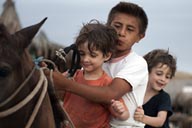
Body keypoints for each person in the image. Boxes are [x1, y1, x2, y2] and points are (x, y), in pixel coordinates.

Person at [49, 2, 149, 127]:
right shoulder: (92, 62)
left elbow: (110, 94)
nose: (121, 33)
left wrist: (66, 84)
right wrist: (53, 81)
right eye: (117, 26)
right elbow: (73, 94)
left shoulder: (137, 63)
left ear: (140, 37)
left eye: (130, 29)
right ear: (108, 27)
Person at [63, 20, 129, 128]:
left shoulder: (107, 84)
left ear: (107, 56)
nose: (85, 59)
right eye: (82, 54)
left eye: (92, 55)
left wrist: (120, 110)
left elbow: (124, 116)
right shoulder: (72, 75)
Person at [134, 49, 177, 128]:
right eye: (159, 74)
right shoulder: (135, 92)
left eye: (167, 77)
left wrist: (142, 118)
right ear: (147, 71)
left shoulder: (164, 98)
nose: (163, 79)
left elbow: (160, 121)